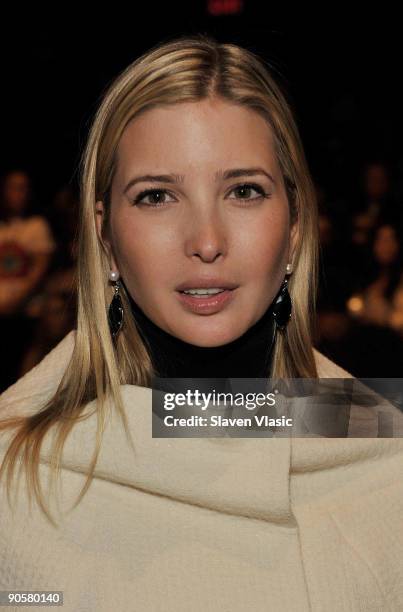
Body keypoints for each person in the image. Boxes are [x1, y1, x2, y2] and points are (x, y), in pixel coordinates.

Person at [0, 34, 402, 611]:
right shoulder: (21, 472)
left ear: (293, 228)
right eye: (157, 196)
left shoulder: (379, 446)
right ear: (105, 237)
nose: (207, 242)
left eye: (244, 190)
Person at [0, 169, 56, 391]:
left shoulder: (36, 226)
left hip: (26, 314)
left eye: (23, 188)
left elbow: (39, 271)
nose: (18, 194)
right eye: (13, 187)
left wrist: (14, 302)